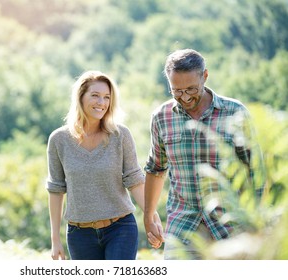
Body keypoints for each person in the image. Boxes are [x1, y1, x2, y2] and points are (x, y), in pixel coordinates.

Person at [143, 49, 264, 260]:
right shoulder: (161, 117)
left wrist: (259, 220)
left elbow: (255, 171)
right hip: (183, 223)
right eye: (177, 91)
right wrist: (148, 216)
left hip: (230, 224)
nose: (186, 97)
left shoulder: (235, 112)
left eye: (191, 88)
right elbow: (156, 169)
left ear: (205, 76)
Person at [46, 70, 151, 260]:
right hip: (80, 235)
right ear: (80, 97)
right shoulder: (59, 140)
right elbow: (56, 189)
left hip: (120, 229)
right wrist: (55, 239)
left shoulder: (121, 136)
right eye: (95, 95)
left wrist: (151, 216)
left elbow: (134, 180)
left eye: (106, 97)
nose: (101, 103)